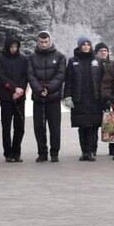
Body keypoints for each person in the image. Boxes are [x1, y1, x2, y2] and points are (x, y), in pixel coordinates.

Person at [28, 31, 66, 162]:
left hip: (53, 97)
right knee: (39, 127)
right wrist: (39, 90)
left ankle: (54, 152)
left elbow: (60, 75)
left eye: (46, 42)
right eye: (41, 42)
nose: (44, 44)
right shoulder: (32, 58)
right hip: (38, 98)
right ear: (38, 42)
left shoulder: (60, 57)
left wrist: (48, 89)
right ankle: (42, 152)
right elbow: (31, 76)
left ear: (50, 41)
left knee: (54, 127)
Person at [64, 37, 105, 161]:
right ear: (79, 46)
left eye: (88, 44)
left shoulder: (98, 61)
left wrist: (105, 97)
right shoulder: (73, 61)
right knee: (82, 126)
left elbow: (103, 80)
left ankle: (92, 151)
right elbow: (68, 80)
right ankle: (84, 152)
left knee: (93, 126)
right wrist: (67, 96)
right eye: (84, 44)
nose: (86, 46)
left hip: (94, 99)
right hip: (79, 99)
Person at [0, 36, 29, 162]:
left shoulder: (23, 59)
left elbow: (25, 76)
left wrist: (20, 90)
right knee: (6, 126)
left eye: (16, 47)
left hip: (20, 97)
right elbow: (1, 76)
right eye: (11, 47)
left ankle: (16, 152)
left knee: (19, 126)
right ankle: (8, 153)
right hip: (6, 97)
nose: (14, 49)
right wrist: (14, 88)